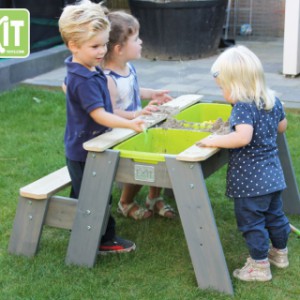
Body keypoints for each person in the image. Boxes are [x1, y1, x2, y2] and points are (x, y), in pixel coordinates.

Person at [58, 0, 145, 254]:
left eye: (104, 44)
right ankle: (104, 239)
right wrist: (131, 124)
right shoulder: (83, 77)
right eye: (95, 46)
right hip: (85, 151)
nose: (101, 51)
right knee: (96, 197)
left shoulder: (85, 67)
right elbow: (100, 115)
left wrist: (129, 117)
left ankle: (79, 227)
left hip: (87, 146)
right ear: (74, 45)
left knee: (84, 194)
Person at [198, 45, 290, 282]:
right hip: (272, 175)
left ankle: (259, 266)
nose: (222, 93)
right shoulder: (272, 100)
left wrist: (215, 139)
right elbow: (282, 126)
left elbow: (242, 137)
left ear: (236, 84)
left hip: (250, 182)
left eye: (223, 88)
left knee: (252, 223)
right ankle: (280, 254)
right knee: (275, 216)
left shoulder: (242, 107)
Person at [102, 11, 176, 220]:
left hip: (136, 126)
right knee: (141, 165)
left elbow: (134, 90)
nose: (141, 42)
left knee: (160, 153)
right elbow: (109, 112)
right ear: (119, 49)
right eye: (136, 39)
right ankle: (125, 202)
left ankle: (153, 197)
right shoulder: (108, 78)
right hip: (121, 134)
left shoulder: (128, 68)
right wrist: (137, 113)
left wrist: (152, 94)